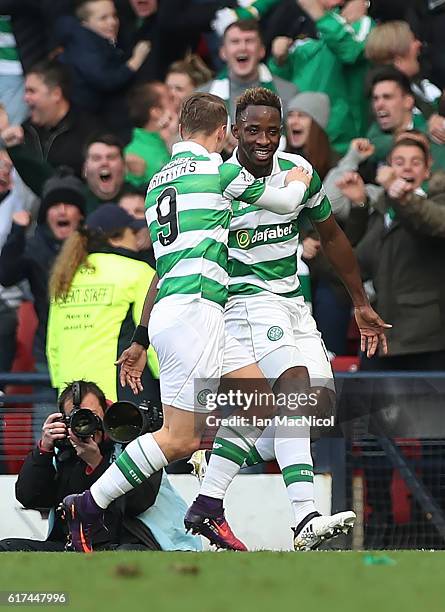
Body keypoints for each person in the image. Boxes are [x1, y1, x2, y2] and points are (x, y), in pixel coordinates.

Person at [114, 89, 389, 552]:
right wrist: (141, 335)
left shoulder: (296, 170)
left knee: (308, 409)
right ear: (231, 132)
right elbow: (171, 265)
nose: (264, 140)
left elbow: (332, 234)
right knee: (294, 389)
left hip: (292, 304)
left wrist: (360, 301)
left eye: (272, 131)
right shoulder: (216, 181)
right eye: (253, 130)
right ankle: (304, 517)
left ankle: (211, 484)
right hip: (242, 304)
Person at [61, 91, 320, 553]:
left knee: (259, 399)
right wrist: (299, 177)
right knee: (179, 439)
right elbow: (285, 201)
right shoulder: (219, 171)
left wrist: (140, 338)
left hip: (191, 312)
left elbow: (164, 266)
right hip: (193, 313)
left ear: (181, 130)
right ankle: (89, 504)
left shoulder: (159, 180)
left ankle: (209, 507)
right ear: (222, 133)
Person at [0, 380, 200, 552]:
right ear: (64, 422)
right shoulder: (62, 454)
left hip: (134, 542)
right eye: (78, 419)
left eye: (93, 416)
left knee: (124, 554)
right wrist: (43, 450)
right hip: (74, 548)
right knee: (7, 547)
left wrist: (97, 463)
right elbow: (29, 497)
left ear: (107, 414)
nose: (87, 425)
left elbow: (138, 502)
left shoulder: (135, 446)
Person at [338, 137, 445, 369]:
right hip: (382, 334)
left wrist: (403, 197)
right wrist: (359, 207)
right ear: (387, 168)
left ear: (427, 170)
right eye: (399, 161)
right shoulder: (382, 210)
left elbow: (431, 221)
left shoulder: (436, 202)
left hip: (425, 341)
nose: (406, 167)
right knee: (371, 404)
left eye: (415, 162)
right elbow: (358, 263)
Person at [47, 203, 159, 404]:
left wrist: (61, 392)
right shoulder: (139, 271)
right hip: (122, 393)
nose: (136, 237)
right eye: (131, 231)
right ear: (115, 238)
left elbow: (53, 347)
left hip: (72, 398)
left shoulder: (66, 276)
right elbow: (151, 335)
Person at [0, 170, 86, 369]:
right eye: (54, 206)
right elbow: (6, 276)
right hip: (49, 351)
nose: (62, 211)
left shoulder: (96, 247)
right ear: (46, 214)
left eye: (69, 205)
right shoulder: (34, 248)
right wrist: (17, 232)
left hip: (90, 345)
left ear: (81, 215)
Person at [269, 0, 374, 153]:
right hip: (298, 141)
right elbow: (287, 79)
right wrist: (279, 61)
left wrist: (320, 16)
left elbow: (352, 52)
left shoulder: (361, 22)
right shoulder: (298, 17)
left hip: (341, 145)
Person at [55, 0, 150, 137]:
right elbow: (105, 79)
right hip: (89, 124)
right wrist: (135, 61)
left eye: (114, 16)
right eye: (103, 18)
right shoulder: (84, 45)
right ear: (85, 23)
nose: (112, 22)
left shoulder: (97, 42)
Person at [1, 59, 99, 177]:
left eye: (32, 91)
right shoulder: (25, 133)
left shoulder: (88, 133)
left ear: (56, 94)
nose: (25, 98)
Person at [200, 19, 297, 121]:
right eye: (235, 41)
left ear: (261, 50)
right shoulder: (202, 99)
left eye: (249, 41)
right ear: (223, 52)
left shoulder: (287, 94)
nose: (242, 47)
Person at [124, 82, 174, 188]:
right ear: (156, 112)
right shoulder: (133, 154)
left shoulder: (179, 136)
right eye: (170, 99)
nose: (178, 99)